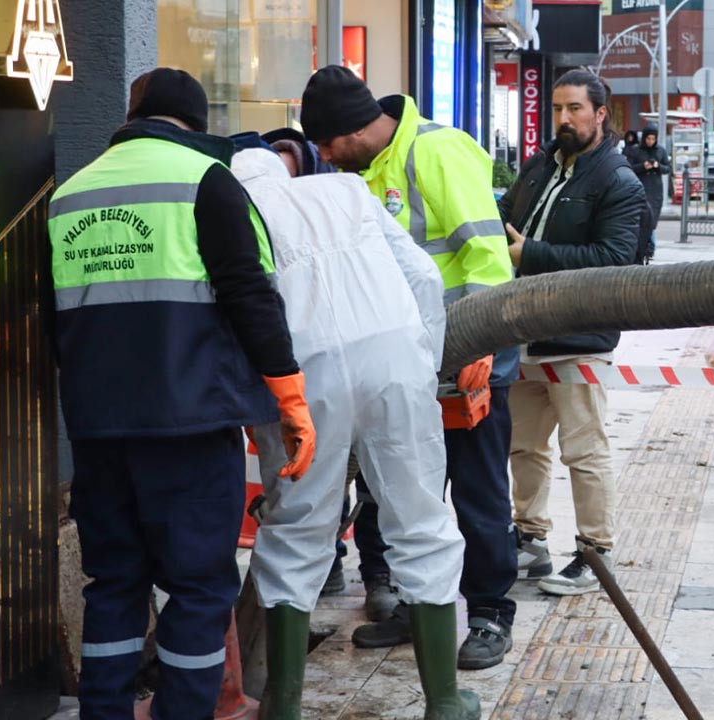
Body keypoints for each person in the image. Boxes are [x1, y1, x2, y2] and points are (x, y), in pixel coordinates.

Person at [46, 68, 317, 719]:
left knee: (113, 584)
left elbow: (49, 317)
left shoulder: (68, 195)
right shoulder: (207, 181)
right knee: (198, 588)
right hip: (189, 428)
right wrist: (289, 397)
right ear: (197, 124)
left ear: (130, 119)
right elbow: (251, 295)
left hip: (98, 430)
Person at [230, 132, 479, 720]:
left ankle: (283, 706)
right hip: (394, 355)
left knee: (295, 530)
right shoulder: (344, 190)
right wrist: (423, 364)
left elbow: (239, 313)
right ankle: (444, 701)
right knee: (420, 520)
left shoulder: (233, 215)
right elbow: (423, 276)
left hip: (301, 373)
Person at [299, 65, 520, 670]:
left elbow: (486, 252)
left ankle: (489, 613)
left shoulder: (435, 151)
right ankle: (416, 606)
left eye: (326, 143)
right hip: (402, 363)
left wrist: (481, 343)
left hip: (465, 357)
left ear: (352, 129)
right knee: (397, 493)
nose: (323, 156)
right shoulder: (357, 175)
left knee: (476, 492)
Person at [498, 69, 646, 596]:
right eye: (558, 108)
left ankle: (594, 554)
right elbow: (505, 216)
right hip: (524, 333)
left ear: (600, 114)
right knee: (524, 447)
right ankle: (530, 539)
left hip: (578, 338)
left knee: (584, 452)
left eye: (575, 109)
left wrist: (531, 254)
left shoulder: (618, 181)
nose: (563, 118)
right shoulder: (540, 166)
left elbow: (613, 259)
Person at [627, 123, 669, 262]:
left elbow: (668, 168)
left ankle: (649, 247)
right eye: (648, 138)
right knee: (642, 220)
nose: (650, 141)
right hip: (640, 188)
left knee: (652, 221)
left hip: (655, 191)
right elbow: (629, 167)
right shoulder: (636, 150)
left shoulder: (660, 151)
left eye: (653, 139)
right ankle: (645, 248)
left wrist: (657, 166)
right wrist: (642, 166)